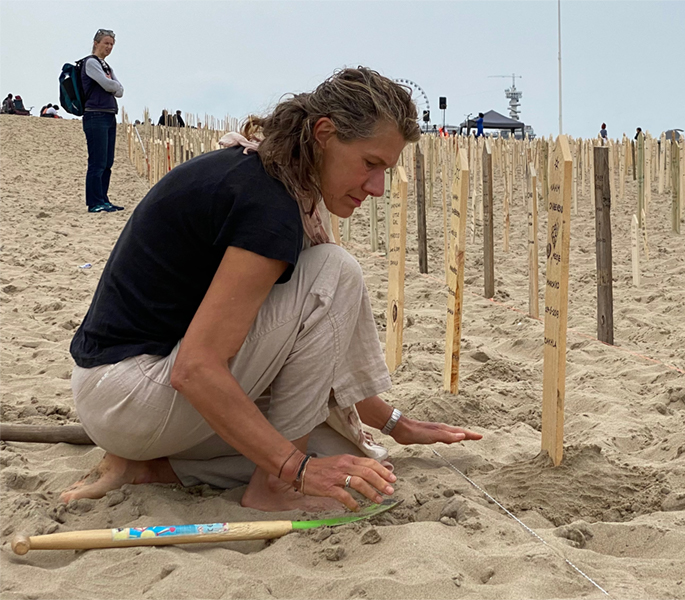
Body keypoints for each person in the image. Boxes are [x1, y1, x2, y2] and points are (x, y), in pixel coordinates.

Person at [61, 67, 482, 513]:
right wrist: (294, 469)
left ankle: (150, 469)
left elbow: (300, 352)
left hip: (124, 394)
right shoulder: (269, 204)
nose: (377, 188)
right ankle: (275, 487)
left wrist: (395, 424)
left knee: (345, 454)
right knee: (335, 272)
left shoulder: (267, 172)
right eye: (370, 163)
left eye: (385, 170)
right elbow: (196, 368)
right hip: (129, 393)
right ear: (324, 133)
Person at [82, 28, 124, 213]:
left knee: (107, 162)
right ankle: (94, 202)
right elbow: (109, 84)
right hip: (95, 114)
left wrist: (113, 86)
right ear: (96, 43)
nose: (109, 47)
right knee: (97, 161)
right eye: (106, 43)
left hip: (109, 114)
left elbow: (120, 90)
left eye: (112, 44)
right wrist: (113, 86)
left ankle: (103, 199)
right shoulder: (91, 63)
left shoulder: (106, 66)